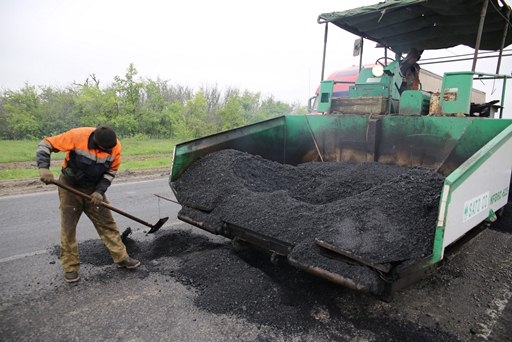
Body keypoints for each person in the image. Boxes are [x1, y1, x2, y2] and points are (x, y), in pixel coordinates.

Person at [36, 125, 140, 283]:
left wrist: (99, 192)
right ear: (97, 143)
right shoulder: (78, 136)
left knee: (107, 224)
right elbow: (46, 143)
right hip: (70, 186)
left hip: (94, 188)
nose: (108, 152)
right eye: (105, 149)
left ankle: (121, 258)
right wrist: (44, 168)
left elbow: (110, 172)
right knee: (68, 227)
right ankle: (70, 268)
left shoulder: (115, 146)